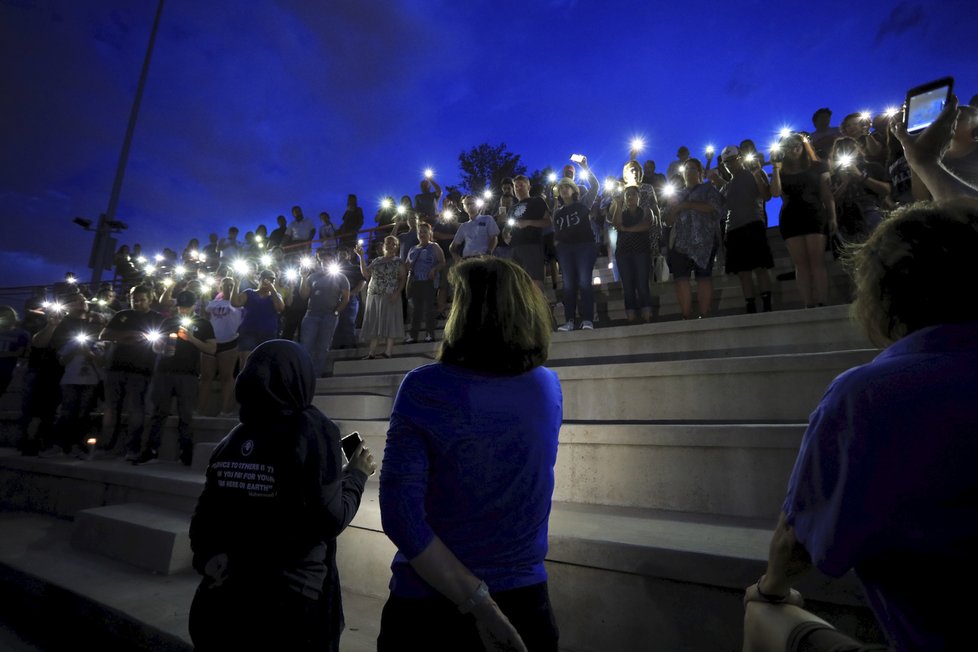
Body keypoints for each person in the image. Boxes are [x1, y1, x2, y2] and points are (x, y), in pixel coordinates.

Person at [742, 198, 978, 652]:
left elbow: (797, 543)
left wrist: (768, 588)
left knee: (764, 610)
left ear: (882, 292)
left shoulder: (868, 394)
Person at [378, 257, 561, 652]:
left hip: (429, 602)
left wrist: (478, 603)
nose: (447, 308)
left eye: (456, 299)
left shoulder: (424, 387)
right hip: (526, 600)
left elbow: (400, 514)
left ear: (469, 312)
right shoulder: (548, 385)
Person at [189, 339, 376, 652]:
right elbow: (329, 520)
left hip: (224, 598)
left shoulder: (234, 438)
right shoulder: (312, 430)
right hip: (290, 605)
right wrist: (356, 474)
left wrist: (206, 558)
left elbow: (204, 516)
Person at [136, 291, 216, 465]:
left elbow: (211, 349)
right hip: (165, 371)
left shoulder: (203, 324)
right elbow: (157, 347)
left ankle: (186, 452)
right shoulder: (169, 321)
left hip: (188, 374)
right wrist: (157, 344)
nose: (184, 310)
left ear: (195, 305)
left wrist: (191, 338)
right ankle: (150, 449)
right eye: (181, 306)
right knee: (159, 413)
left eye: (187, 306)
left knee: (186, 415)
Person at [98, 285, 165, 459]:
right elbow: (104, 335)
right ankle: (106, 446)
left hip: (141, 369)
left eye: (142, 299)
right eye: (135, 299)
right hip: (115, 367)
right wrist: (131, 334)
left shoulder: (157, 318)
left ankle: (132, 448)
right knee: (111, 408)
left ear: (150, 299)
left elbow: (162, 344)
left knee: (136, 408)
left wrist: (146, 340)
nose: (137, 302)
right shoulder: (121, 315)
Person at [770, 133, 837, 308]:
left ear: (803, 146)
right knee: (800, 263)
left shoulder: (818, 166)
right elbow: (775, 193)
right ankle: (809, 303)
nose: (793, 150)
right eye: (788, 147)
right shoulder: (781, 170)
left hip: (814, 213)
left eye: (797, 146)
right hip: (791, 216)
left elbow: (826, 193)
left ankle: (822, 301)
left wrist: (832, 216)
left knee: (817, 260)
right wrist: (775, 168)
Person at [663, 158, 725, 319]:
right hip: (680, 243)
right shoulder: (678, 194)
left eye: (692, 169)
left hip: (704, 242)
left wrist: (687, 205)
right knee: (680, 278)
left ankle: (704, 314)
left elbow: (714, 208)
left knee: (703, 277)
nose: (688, 172)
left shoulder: (708, 189)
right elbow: (668, 221)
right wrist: (674, 208)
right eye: (686, 169)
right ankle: (686, 314)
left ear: (700, 172)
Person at [718, 145, 775, 313]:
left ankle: (766, 302)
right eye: (726, 162)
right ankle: (750, 304)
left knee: (760, 267)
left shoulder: (754, 174)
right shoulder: (726, 186)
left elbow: (767, 196)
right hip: (733, 229)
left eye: (732, 160)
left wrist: (758, 174)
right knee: (742, 271)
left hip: (753, 224)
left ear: (740, 158)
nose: (730, 165)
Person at [552, 177, 598, 331]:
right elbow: (556, 232)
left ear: (574, 190)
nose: (564, 189)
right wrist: (558, 245)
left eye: (567, 186)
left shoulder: (582, 204)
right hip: (565, 249)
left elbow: (595, 186)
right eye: (561, 187)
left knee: (584, 282)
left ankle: (587, 319)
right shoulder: (558, 213)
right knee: (568, 285)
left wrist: (585, 168)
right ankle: (569, 321)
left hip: (584, 246)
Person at [298, 250, 350, 376]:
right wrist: (303, 277)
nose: (326, 262)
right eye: (323, 260)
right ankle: (303, 374)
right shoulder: (312, 276)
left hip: (329, 316)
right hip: (311, 315)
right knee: (306, 345)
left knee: (323, 347)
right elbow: (304, 295)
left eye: (329, 260)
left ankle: (316, 375)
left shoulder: (341, 277)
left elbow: (346, 297)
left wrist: (337, 311)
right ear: (320, 262)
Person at [198, 277, 243, 417]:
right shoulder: (211, 304)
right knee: (206, 377)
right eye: (226, 285)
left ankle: (225, 410)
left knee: (226, 377)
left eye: (232, 285)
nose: (229, 288)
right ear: (220, 288)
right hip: (211, 341)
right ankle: (200, 411)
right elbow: (204, 318)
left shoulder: (240, 304)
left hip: (229, 342)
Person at [355, 237, 405, 359]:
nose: (390, 245)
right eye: (387, 243)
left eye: (393, 244)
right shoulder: (377, 260)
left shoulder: (398, 261)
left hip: (390, 294)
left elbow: (403, 278)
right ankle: (371, 352)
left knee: (390, 321)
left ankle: (388, 352)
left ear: (396, 247)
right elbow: (366, 273)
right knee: (374, 322)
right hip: (374, 294)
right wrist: (361, 256)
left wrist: (397, 292)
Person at [230, 269, 284, 366]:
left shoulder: (275, 295)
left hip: (268, 334)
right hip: (248, 332)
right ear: (260, 279)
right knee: (246, 362)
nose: (269, 282)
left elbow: (280, 308)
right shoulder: (249, 293)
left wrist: (272, 290)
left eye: (272, 280)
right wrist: (236, 283)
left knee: (266, 363)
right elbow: (235, 303)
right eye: (266, 279)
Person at [508, 174, 552, 290]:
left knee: (535, 282)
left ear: (529, 187)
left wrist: (528, 222)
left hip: (532, 245)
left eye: (521, 185)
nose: (518, 188)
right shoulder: (512, 208)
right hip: (514, 247)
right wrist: (506, 234)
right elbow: (508, 228)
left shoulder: (537, 201)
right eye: (516, 186)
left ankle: (541, 307)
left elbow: (548, 222)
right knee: (517, 283)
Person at [404, 222, 445, 344]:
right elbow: (407, 264)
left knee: (429, 308)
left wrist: (434, 269)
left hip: (429, 280)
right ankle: (413, 335)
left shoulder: (434, 246)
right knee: (415, 310)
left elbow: (442, 262)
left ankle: (429, 333)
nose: (422, 234)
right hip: (416, 281)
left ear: (429, 233)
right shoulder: (413, 248)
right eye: (420, 232)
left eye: (424, 232)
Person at [450, 195, 500, 260]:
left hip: (483, 257)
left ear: (478, 206)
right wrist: (457, 258)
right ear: (464, 208)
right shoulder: (464, 226)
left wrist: (489, 253)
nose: (470, 206)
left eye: (472, 203)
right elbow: (452, 247)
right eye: (467, 204)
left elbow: (494, 238)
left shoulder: (487, 219)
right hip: (467, 259)